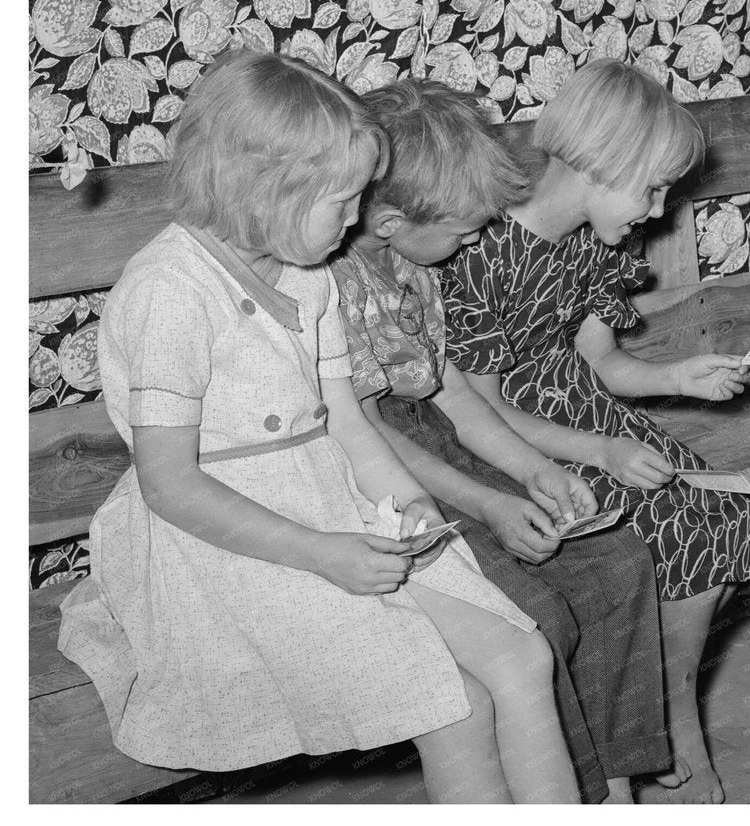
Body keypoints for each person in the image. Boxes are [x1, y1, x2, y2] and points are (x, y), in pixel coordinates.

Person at [56, 52, 579, 804]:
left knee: (522, 656)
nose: (358, 218)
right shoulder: (169, 292)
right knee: (452, 697)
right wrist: (323, 552)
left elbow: (349, 426)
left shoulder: (309, 274)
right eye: (343, 200)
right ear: (268, 192)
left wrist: (413, 509)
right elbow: (169, 485)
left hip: (333, 502)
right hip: (225, 541)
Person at [440, 58, 750, 803]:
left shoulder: (597, 243)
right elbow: (485, 408)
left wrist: (678, 375)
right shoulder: (480, 250)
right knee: (646, 534)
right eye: (652, 186)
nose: (660, 210)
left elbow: (601, 360)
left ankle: (669, 707)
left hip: (590, 413)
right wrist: (602, 449)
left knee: (723, 519)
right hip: (523, 442)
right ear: (601, 164)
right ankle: (641, 732)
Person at [329, 79, 671, 803]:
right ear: (389, 220)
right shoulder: (336, 286)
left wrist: (538, 470)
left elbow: (453, 395)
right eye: (463, 230)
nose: (478, 240)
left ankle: (610, 784)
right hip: (384, 477)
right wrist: (490, 505)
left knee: (615, 564)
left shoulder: (415, 267)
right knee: (535, 615)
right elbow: (372, 438)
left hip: (442, 443)